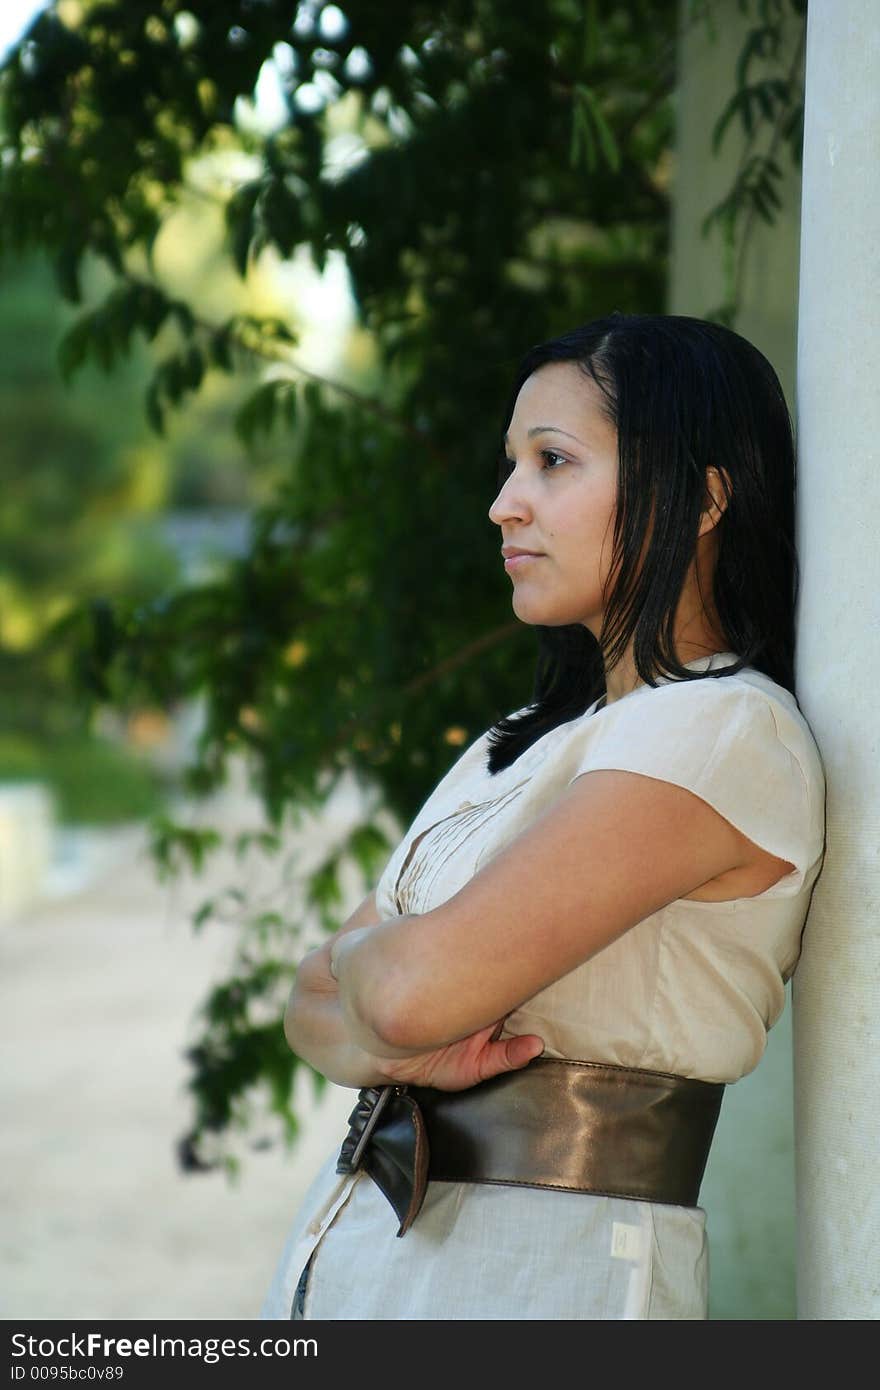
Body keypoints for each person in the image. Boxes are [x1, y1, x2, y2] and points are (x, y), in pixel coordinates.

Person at [259, 312, 826, 1321]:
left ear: (701, 497)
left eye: (551, 461)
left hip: (547, 1278)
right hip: (360, 1259)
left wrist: (373, 975)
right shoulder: (513, 742)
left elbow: (397, 990)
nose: (503, 504)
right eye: (511, 463)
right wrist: (383, 999)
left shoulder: (724, 730)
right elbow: (310, 1011)